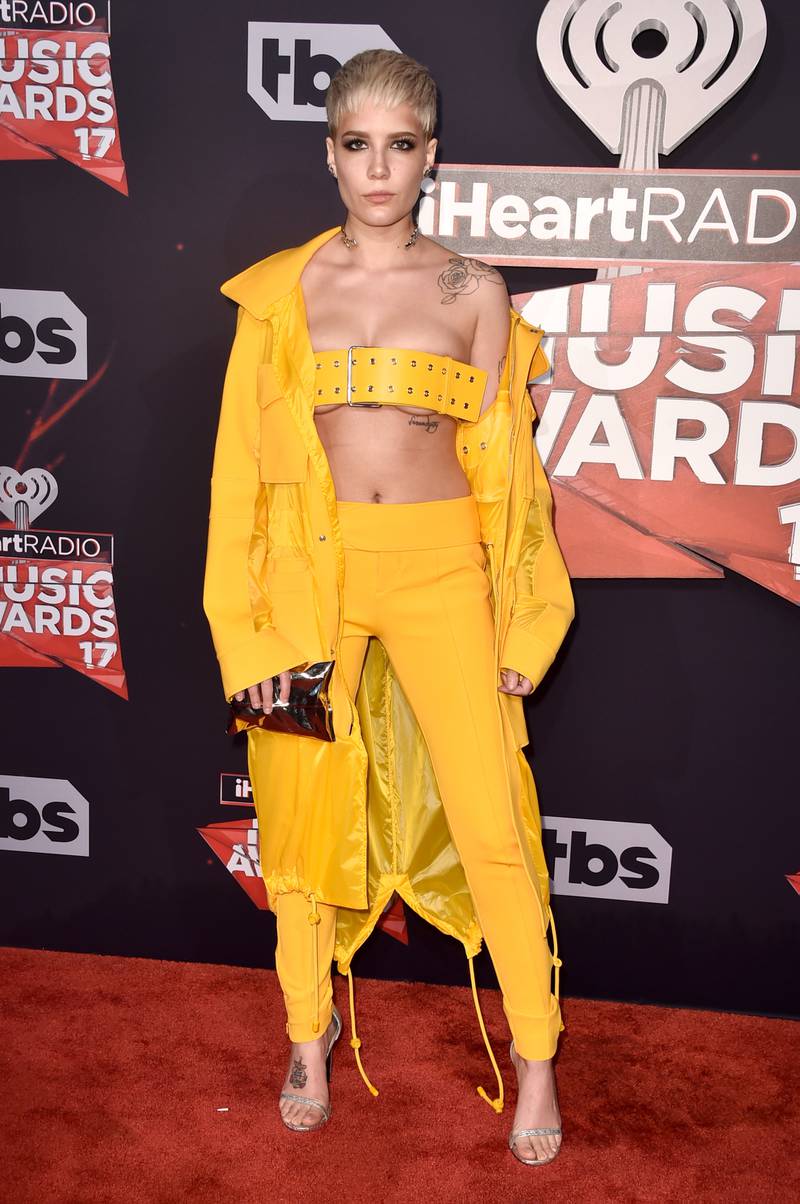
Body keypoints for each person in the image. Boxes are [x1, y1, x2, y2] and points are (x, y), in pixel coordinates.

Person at [203, 49, 574, 1167]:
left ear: (429, 156)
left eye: (400, 145)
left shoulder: (474, 291)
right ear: (328, 154)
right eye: (356, 144)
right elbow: (235, 479)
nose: (379, 167)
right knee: (304, 816)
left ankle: (540, 1056)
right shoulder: (278, 294)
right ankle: (307, 1038)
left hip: (438, 567)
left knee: (491, 817)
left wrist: (523, 622)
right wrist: (251, 628)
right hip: (315, 581)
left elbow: (511, 478)